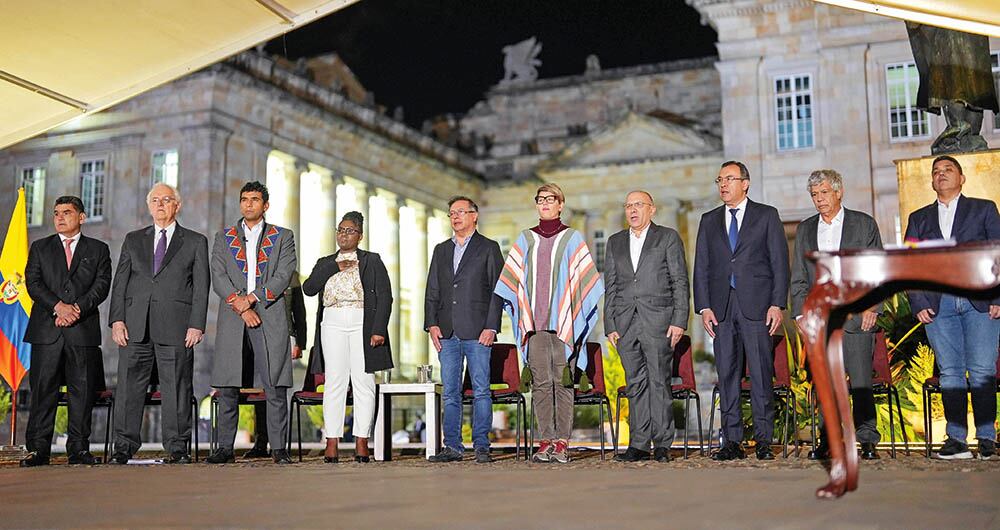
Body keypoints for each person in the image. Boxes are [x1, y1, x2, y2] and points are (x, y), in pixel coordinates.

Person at [494, 183, 604, 464]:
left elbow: (587, 279)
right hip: (535, 325)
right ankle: (545, 440)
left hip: (564, 323)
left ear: (560, 204)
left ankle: (563, 442)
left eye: (550, 199)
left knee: (562, 383)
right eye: (540, 199)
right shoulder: (525, 239)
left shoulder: (572, 238)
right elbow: (510, 280)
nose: (544, 203)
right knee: (542, 384)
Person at [904, 155, 1000, 460]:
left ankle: (986, 438)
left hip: (980, 302)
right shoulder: (919, 218)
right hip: (938, 306)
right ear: (931, 181)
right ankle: (956, 440)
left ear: (961, 178)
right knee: (950, 373)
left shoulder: (984, 209)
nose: (941, 175)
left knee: (983, 369)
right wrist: (918, 301)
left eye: (947, 170)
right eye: (936, 172)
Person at [693, 161, 789, 461]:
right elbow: (701, 267)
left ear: (745, 183)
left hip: (757, 305)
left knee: (761, 373)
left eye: (729, 179)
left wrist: (777, 303)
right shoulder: (709, 220)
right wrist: (704, 306)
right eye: (719, 180)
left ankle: (763, 440)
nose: (723, 184)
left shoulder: (766, 215)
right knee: (728, 375)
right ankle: (731, 440)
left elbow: (779, 263)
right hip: (721, 308)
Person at [108, 183, 209, 465]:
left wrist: (196, 324)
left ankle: (177, 447)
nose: (160, 204)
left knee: (177, 387)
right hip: (135, 327)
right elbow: (120, 283)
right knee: (128, 388)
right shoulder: (133, 239)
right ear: (148, 206)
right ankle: (124, 446)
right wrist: (117, 319)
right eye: (155, 200)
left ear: (178, 205)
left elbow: (201, 288)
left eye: (166, 199)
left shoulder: (194, 241)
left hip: (177, 328)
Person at [789, 170, 883, 461]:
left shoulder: (863, 223)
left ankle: (867, 440)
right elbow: (800, 278)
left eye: (824, 193)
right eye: (815, 195)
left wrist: (872, 307)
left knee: (861, 381)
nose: (820, 200)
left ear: (839, 192)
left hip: (856, 315)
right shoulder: (805, 229)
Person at [207, 181, 297, 464]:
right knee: (228, 384)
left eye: (255, 199)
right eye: (244, 199)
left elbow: (284, 274)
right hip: (234, 316)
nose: (248, 204)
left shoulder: (283, 236)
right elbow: (218, 275)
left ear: (265, 205)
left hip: (269, 314)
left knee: (274, 383)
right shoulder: (224, 237)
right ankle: (224, 448)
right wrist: (241, 304)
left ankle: (279, 448)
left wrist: (254, 298)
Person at [20, 196, 111, 467]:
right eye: (56, 213)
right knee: (42, 391)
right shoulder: (40, 247)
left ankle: (79, 449)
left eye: (67, 212)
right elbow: (33, 283)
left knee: (81, 393)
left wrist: (76, 310)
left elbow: (102, 285)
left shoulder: (98, 249)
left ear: (81, 217)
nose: (60, 217)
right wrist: (58, 307)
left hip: (82, 331)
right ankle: (38, 450)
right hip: (46, 332)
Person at [604, 191, 689, 463]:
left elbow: (679, 281)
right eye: (628, 205)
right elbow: (611, 286)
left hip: (659, 321)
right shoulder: (615, 242)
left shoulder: (667, 237)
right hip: (626, 323)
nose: (633, 210)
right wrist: (610, 324)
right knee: (635, 384)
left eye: (638, 205)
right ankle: (639, 443)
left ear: (651, 209)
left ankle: (663, 443)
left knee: (659, 381)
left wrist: (679, 320)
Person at [303, 211, 392, 463]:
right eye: (340, 230)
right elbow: (309, 288)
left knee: (363, 381)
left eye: (349, 230)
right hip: (332, 321)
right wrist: (334, 266)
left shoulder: (372, 260)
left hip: (361, 321)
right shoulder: (325, 261)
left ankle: (362, 441)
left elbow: (385, 296)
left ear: (360, 235)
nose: (344, 234)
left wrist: (378, 329)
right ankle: (331, 441)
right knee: (335, 381)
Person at [425, 196, 504, 464]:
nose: (455, 217)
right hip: (447, 332)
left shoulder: (489, 248)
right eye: (451, 213)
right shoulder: (441, 250)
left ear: (474, 216)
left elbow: (498, 291)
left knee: (481, 389)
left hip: (478, 330)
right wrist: (431, 324)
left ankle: (482, 444)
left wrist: (492, 326)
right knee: (450, 392)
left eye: (461, 212)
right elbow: (432, 290)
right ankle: (453, 447)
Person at [244, 273, 308, 459]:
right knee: (261, 391)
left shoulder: (291, 276)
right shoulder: (256, 273)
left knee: (277, 390)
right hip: (257, 333)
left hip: (284, 336)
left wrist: (300, 343)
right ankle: (261, 441)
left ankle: (279, 444)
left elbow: (299, 312)